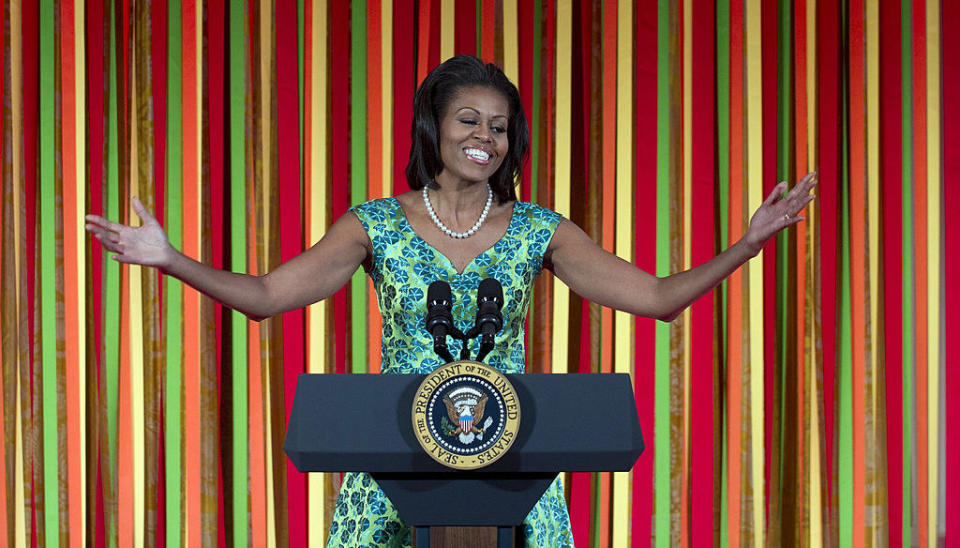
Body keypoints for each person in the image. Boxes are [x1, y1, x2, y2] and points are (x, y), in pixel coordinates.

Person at [86, 55, 815, 547]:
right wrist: (169, 259)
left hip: (514, 468)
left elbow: (657, 299)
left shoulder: (539, 230)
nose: (485, 138)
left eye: (499, 126)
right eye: (469, 119)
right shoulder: (373, 224)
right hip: (394, 466)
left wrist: (745, 246)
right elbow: (269, 296)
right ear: (435, 125)